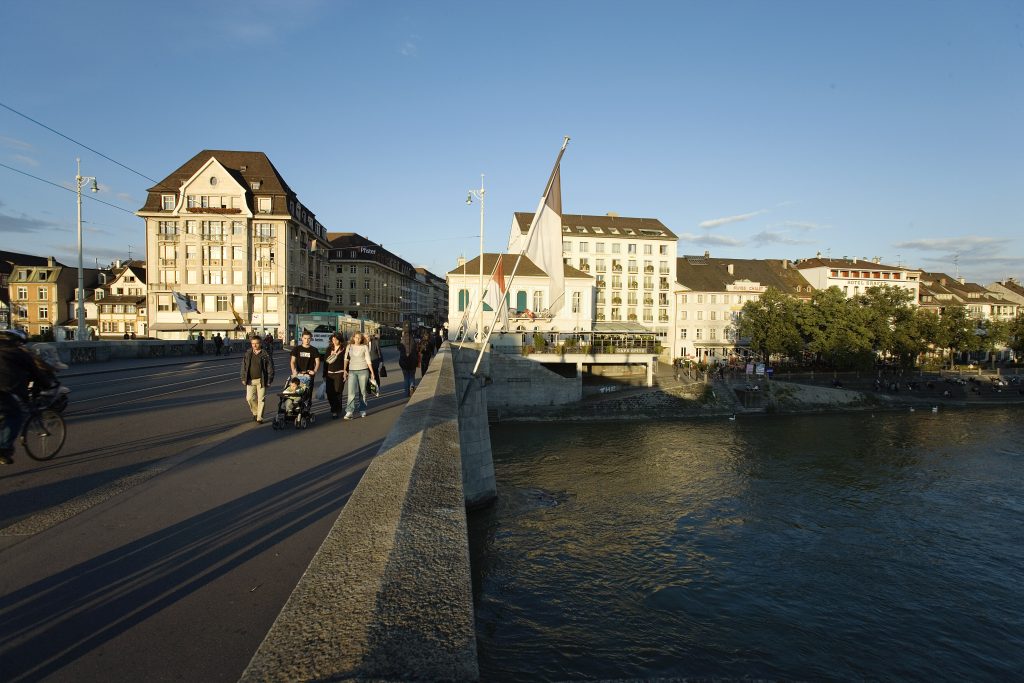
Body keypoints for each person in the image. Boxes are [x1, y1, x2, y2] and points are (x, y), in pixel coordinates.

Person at [0, 329, 48, 464]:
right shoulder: (19, 354)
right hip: (4, 390)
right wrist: (47, 385)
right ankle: (3, 449)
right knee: (15, 415)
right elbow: (36, 373)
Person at [240, 334, 275, 424]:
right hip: (250, 380)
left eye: (256, 343)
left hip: (262, 380)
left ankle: (260, 417)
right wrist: (243, 378)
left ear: (260, 343)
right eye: (253, 343)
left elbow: (270, 368)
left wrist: (269, 380)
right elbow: (243, 366)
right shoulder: (248, 353)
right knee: (249, 398)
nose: (254, 345)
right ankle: (255, 412)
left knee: (261, 399)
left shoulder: (265, 354)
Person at [343, 332, 376, 419]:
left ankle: (362, 409)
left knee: (362, 392)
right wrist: (344, 370)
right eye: (356, 337)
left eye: (359, 338)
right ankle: (349, 411)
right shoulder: (349, 346)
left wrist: (372, 372)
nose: (358, 339)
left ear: (361, 339)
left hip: (363, 371)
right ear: (353, 338)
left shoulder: (364, 347)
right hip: (352, 371)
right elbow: (346, 359)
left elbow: (368, 360)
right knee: (351, 392)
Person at [290, 330, 321, 402]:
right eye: (305, 338)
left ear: (311, 339)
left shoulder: (314, 350)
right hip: (298, 374)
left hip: (309, 374)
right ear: (302, 338)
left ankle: (307, 407)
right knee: (296, 391)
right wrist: (293, 371)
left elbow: (317, 361)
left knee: (308, 392)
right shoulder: (297, 349)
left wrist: (315, 371)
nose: (307, 340)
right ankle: (296, 406)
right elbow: (292, 361)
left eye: (308, 338)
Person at [322, 333, 346, 418]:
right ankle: (334, 407)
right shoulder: (329, 349)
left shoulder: (344, 349)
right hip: (330, 374)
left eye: (336, 339)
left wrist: (346, 372)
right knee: (329, 392)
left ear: (340, 340)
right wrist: (324, 374)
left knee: (338, 392)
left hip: (340, 373)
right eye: (333, 339)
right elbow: (325, 362)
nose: (334, 341)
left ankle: (336, 410)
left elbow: (347, 361)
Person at [398, 331, 419, 397]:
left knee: (406, 378)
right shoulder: (413, 341)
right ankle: (412, 387)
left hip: (404, 363)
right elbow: (417, 351)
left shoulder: (402, 341)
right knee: (412, 376)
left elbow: (399, 349)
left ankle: (406, 393)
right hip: (412, 363)